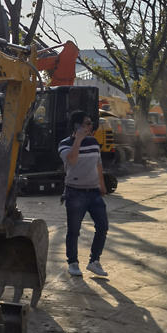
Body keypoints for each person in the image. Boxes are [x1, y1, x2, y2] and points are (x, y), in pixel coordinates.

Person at [58, 110, 109, 277]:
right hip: (75, 193)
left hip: (94, 192)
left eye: (90, 123)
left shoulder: (93, 142)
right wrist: (78, 140)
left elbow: (98, 164)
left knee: (102, 226)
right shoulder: (64, 144)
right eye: (87, 123)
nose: (91, 126)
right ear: (77, 126)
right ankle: (73, 263)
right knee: (74, 230)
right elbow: (72, 160)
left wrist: (102, 185)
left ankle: (94, 261)